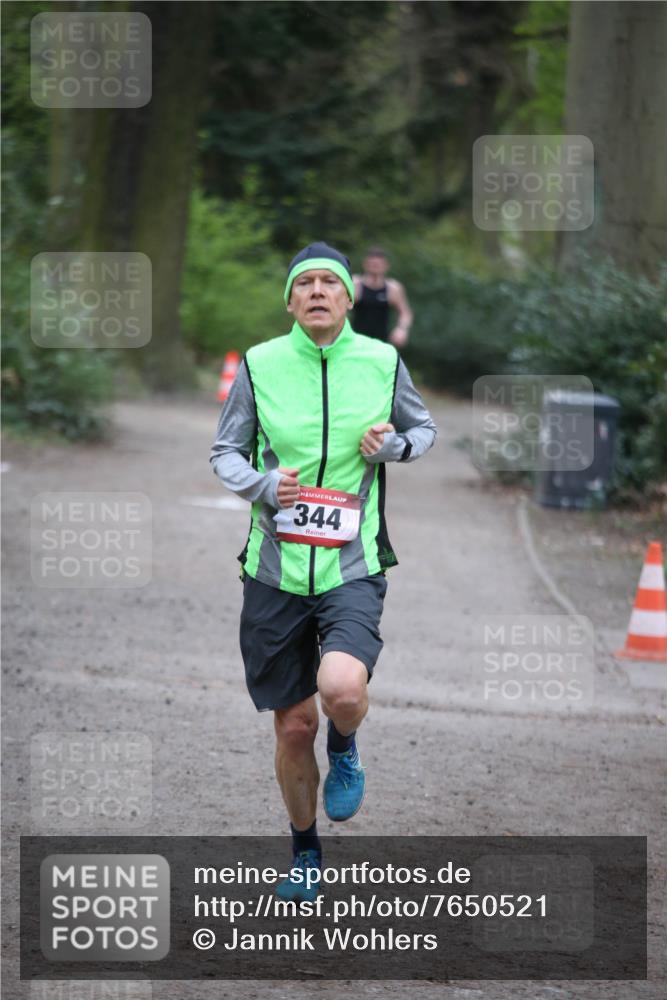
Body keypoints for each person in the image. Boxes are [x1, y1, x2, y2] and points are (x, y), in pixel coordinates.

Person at [210, 241, 435, 901]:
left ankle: (346, 745)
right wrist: (259, 485)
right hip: (273, 569)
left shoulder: (382, 360)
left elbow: (422, 433)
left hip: (351, 564)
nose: (315, 291)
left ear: (346, 298)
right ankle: (304, 848)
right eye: (302, 283)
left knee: (339, 690)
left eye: (326, 283)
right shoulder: (260, 363)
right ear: (289, 301)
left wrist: (393, 445)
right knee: (290, 725)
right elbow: (225, 450)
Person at [352, 247, 413, 347]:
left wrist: (402, 329)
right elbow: (339, 310)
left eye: (378, 265)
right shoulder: (355, 284)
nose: (375, 267)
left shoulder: (393, 288)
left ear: (386, 266)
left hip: (382, 344)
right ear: (365, 265)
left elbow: (405, 312)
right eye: (372, 264)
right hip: (356, 342)